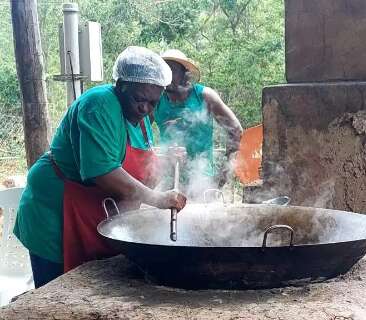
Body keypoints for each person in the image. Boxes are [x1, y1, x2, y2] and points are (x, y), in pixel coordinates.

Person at [13, 46, 187, 288]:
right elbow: (103, 172)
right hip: (56, 207)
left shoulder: (142, 117)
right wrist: (156, 199)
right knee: (57, 291)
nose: (145, 109)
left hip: (94, 209)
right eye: (139, 99)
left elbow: (137, 161)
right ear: (121, 85)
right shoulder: (99, 105)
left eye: (153, 102)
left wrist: (165, 158)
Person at [153, 49, 243, 197]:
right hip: (169, 180)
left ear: (185, 74)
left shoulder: (205, 96)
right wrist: (162, 158)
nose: (166, 75)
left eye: (172, 70)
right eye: (163, 70)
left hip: (202, 179)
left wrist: (224, 173)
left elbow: (235, 130)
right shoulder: (155, 99)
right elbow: (142, 137)